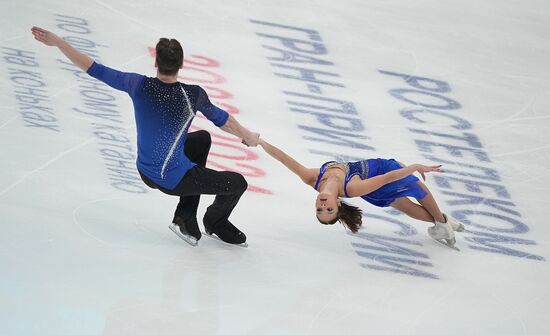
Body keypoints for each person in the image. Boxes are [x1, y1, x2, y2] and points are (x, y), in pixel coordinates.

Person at [31, 26, 259, 246]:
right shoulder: (193, 96)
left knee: (202, 139)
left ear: (156, 62)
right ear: (181, 64)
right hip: (172, 179)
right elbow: (225, 121)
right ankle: (215, 221)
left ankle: (185, 217)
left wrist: (59, 42)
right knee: (237, 183)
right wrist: (247, 136)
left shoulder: (138, 85)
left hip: (145, 171)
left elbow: (94, 69)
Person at [255, 138, 464, 249]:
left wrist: (261, 143)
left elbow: (283, 158)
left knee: (408, 207)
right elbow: (386, 178)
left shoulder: (312, 178)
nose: (323, 204)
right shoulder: (351, 188)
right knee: (418, 189)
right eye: (329, 209)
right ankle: (442, 222)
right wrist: (414, 166)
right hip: (383, 173)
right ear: (338, 204)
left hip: (375, 188)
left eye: (320, 209)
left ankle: (442, 223)